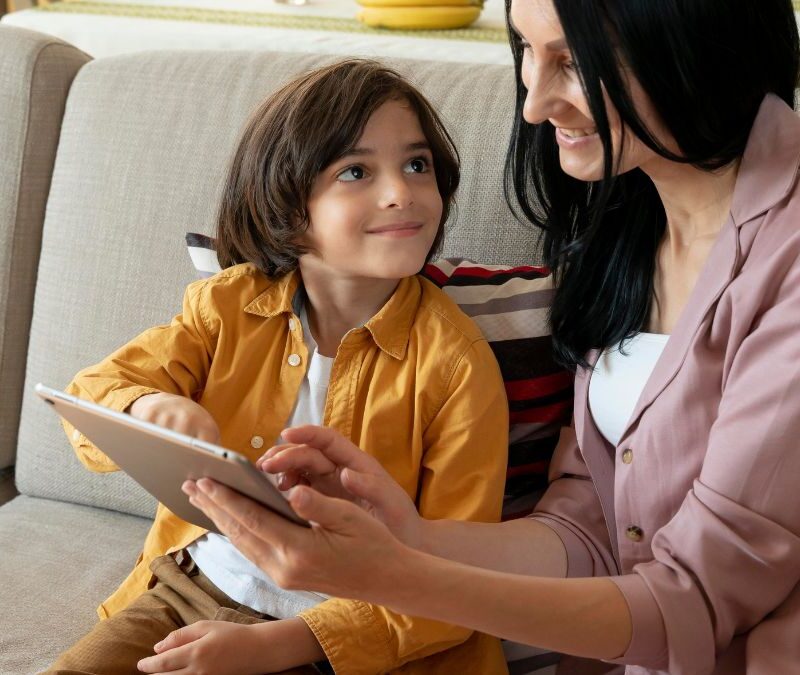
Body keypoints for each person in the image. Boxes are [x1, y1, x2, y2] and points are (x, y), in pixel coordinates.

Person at [181, 0, 800, 673]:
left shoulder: (786, 259)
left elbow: (697, 601)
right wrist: (408, 533)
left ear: (687, 37)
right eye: (526, 52)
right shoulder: (627, 222)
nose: (535, 104)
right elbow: (591, 525)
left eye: (571, 60)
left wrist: (392, 575)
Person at [48, 59, 513, 675]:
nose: (400, 190)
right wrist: (149, 407)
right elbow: (92, 396)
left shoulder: (456, 364)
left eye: (416, 165)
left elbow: (459, 581)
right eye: (356, 170)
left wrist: (277, 646)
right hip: (196, 595)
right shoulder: (226, 306)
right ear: (290, 207)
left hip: (356, 631)